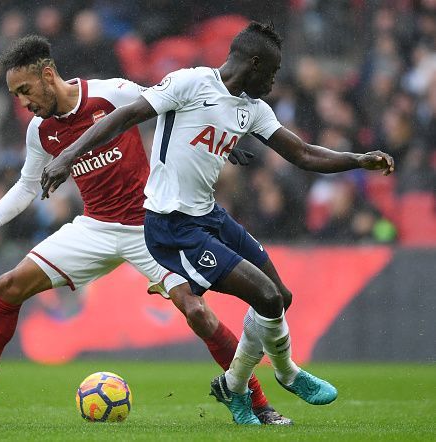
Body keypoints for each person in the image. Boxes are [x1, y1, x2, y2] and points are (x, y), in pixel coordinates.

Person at [0, 35, 290, 425]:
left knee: (197, 311)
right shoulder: (39, 131)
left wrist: (216, 134)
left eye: (25, 90)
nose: (24, 102)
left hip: (151, 227)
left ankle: (259, 403)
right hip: (94, 227)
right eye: (16, 95)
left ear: (48, 75)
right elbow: (27, 186)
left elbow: (172, 103)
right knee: (8, 286)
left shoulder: (111, 92)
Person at [41, 22, 395, 425]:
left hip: (210, 216)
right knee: (266, 298)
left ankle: (232, 386)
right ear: (255, 63)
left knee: (280, 296)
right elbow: (126, 116)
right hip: (172, 227)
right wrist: (68, 155)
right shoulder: (191, 83)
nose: (275, 81)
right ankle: (286, 373)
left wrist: (356, 159)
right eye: (273, 72)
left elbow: (302, 154)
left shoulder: (253, 109)